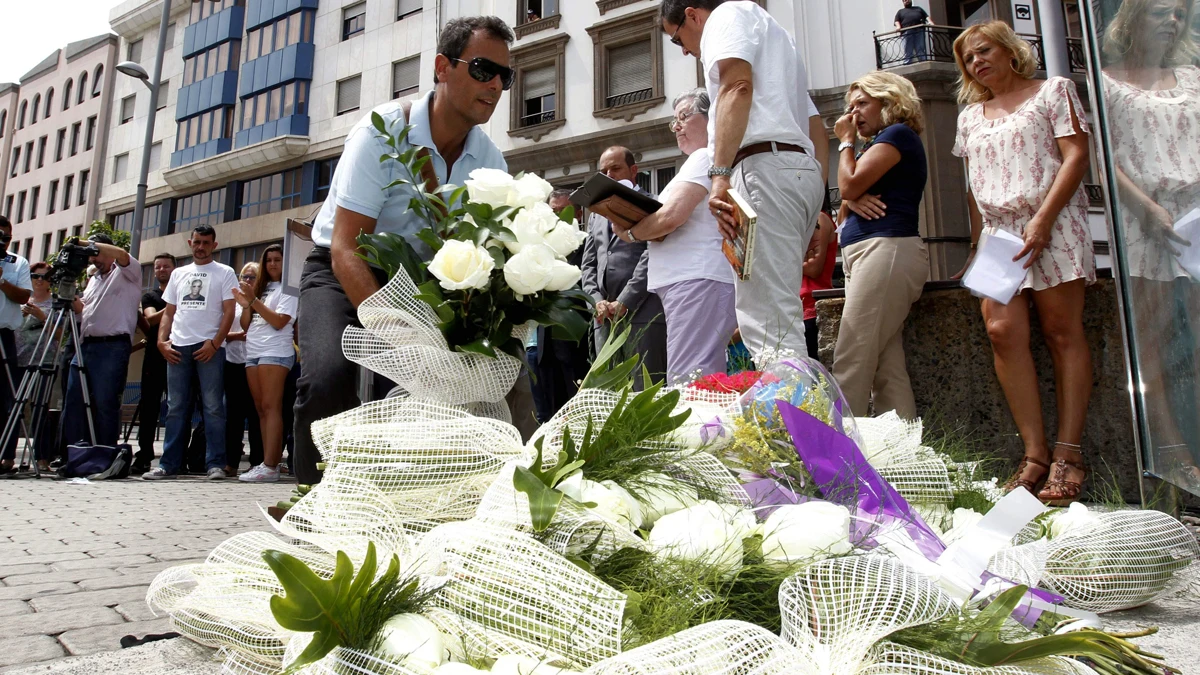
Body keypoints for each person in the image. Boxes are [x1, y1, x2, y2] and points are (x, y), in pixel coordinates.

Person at [295, 17, 514, 485]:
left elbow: (487, 251)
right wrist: (395, 332)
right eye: (482, 69)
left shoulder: (491, 160)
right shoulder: (380, 132)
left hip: (426, 284)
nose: (495, 85)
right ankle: (310, 499)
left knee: (474, 386)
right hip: (342, 269)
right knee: (328, 377)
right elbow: (346, 246)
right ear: (442, 67)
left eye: (504, 76)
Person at [952, 21, 1094, 505]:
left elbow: (1076, 155)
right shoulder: (970, 116)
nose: (977, 62)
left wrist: (1044, 220)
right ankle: (1034, 454)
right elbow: (973, 187)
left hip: (1049, 223)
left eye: (983, 50)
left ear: (1010, 50)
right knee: (1001, 331)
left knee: (1061, 331)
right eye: (969, 58)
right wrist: (975, 246)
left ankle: (1068, 455)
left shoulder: (1054, 90)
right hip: (998, 235)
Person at [660, 0, 826, 363]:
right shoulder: (776, 34)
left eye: (677, 39)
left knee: (767, 319)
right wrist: (818, 206)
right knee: (780, 309)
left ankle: (791, 414)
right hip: (797, 168)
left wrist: (719, 175)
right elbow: (815, 126)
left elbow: (736, 86)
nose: (686, 50)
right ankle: (799, 408)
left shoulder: (725, 16)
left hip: (761, 167)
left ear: (692, 14)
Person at [1101, 0, 1200, 487]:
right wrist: (1145, 208)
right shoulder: (1106, 82)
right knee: (1152, 340)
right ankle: (1172, 451)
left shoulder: (1193, 78)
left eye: (1180, 13)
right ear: (1134, 17)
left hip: (1197, 214)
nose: (1173, 20)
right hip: (1141, 219)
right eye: (1162, 11)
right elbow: (1103, 156)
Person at [611, 89, 737, 385]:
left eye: (684, 116)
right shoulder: (706, 159)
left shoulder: (706, 156)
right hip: (694, 279)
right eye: (674, 121)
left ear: (711, 118)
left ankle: (699, 432)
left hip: (696, 278)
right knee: (697, 374)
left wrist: (631, 232)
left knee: (690, 378)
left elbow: (671, 217)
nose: (677, 126)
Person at [830, 71, 930, 419]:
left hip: (885, 249)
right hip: (869, 252)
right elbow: (847, 200)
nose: (852, 114)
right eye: (850, 106)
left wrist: (845, 143)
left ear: (889, 102)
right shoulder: (882, 143)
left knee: (851, 357)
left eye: (862, 104)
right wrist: (852, 199)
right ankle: (901, 453)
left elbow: (849, 184)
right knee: (886, 367)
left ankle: (836, 455)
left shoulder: (897, 135)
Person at [143, 225, 238, 480]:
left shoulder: (225, 272)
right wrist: (162, 342)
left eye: (206, 242)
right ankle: (169, 464)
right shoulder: (179, 274)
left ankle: (215, 464)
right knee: (175, 407)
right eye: (197, 242)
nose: (201, 246)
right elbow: (170, 312)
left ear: (214, 245)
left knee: (213, 407)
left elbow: (230, 311)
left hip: (209, 348)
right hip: (178, 347)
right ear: (190, 242)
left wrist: (216, 343)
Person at [581, 146, 668, 385]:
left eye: (615, 168)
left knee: (644, 390)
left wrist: (625, 301)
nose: (609, 175)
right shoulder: (596, 215)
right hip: (604, 318)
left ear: (633, 171)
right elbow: (588, 263)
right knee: (608, 392)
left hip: (643, 313)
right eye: (604, 171)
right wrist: (596, 300)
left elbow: (652, 254)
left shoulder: (652, 205)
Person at [60, 234, 142, 450]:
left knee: (105, 401)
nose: (94, 259)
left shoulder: (128, 272)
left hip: (112, 346)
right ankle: (74, 452)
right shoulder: (93, 280)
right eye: (91, 256)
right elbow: (83, 311)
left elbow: (123, 255)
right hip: (85, 344)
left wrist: (84, 244)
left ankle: (105, 452)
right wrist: (68, 294)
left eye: (97, 253)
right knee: (74, 400)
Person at [235, 245, 297, 483]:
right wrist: (246, 304)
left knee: (272, 407)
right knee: (261, 410)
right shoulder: (259, 288)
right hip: (253, 351)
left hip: (276, 350)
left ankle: (272, 465)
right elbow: (245, 325)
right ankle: (265, 462)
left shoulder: (289, 289)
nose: (272, 264)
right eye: (268, 260)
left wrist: (254, 301)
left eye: (277, 260)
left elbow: (280, 321)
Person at [528, 190, 588, 423]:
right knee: (552, 413)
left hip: (574, 341)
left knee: (577, 410)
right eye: (553, 211)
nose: (558, 216)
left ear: (578, 212)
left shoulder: (585, 243)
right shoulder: (543, 247)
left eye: (563, 211)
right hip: (545, 343)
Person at [133, 253, 176, 473]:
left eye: (166, 266)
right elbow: (149, 320)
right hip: (153, 354)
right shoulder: (150, 296)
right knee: (149, 406)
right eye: (157, 267)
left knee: (178, 406)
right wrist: (172, 308)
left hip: (177, 354)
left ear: (174, 269)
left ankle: (176, 455)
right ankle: (144, 454)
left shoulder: (183, 293)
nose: (161, 270)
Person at [223, 262, 263, 476]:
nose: (247, 281)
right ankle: (231, 462)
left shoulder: (262, 302)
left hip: (256, 363)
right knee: (233, 416)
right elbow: (222, 334)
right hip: (233, 362)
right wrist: (238, 336)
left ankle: (258, 461)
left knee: (256, 415)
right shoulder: (234, 303)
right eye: (245, 277)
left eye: (252, 277)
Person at [0, 216, 30, 472]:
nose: (2, 242)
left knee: (7, 398)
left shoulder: (18, 262)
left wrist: (1, 280)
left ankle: (5, 456)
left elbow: (23, 295)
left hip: (4, 334)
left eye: (6, 238)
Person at [800, 212, 837, 361]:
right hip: (791, 310)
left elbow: (813, 268)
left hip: (811, 308)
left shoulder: (818, 218)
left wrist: (779, 258)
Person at [895, 0, 933, 64]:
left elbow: (926, 16)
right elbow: (896, 20)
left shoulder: (918, 9)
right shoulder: (900, 11)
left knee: (920, 46)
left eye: (907, 0)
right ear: (903, 2)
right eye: (904, 0)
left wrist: (930, 22)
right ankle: (907, 62)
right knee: (907, 47)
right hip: (907, 31)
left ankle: (923, 60)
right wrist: (898, 27)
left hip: (919, 30)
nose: (906, 1)